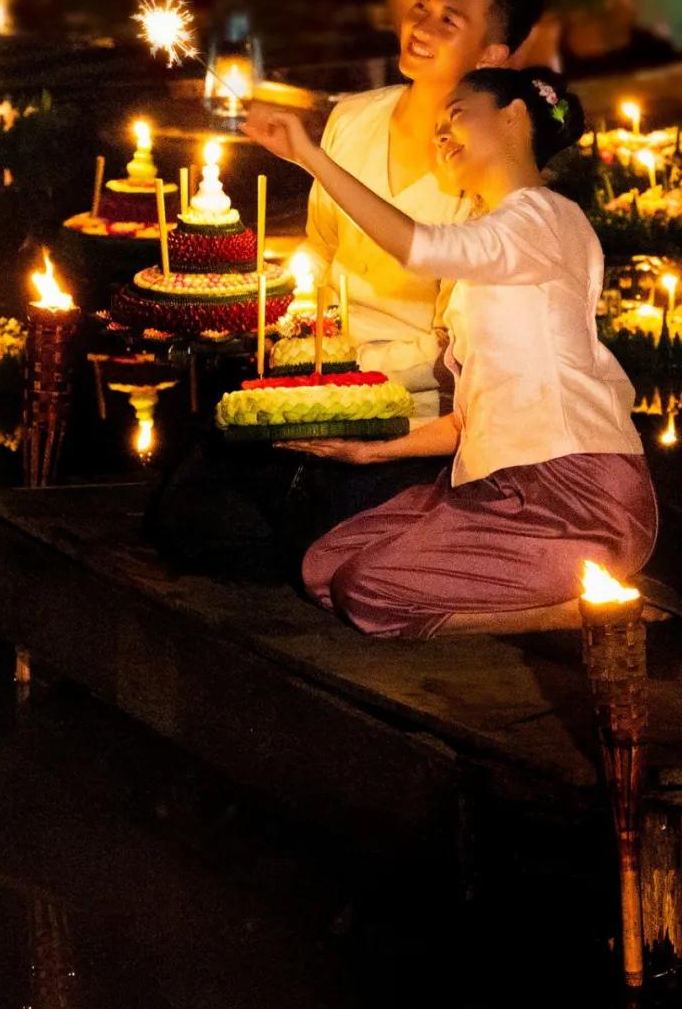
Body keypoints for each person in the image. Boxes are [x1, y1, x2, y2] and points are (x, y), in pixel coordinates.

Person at [144, 0, 545, 580]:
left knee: (322, 531)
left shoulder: (485, 174)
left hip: (413, 411)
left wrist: (358, 374)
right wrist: (306, 335)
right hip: (316, 377)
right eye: (422, 5)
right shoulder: (354, 118)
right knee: (189, 514)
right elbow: (322, 249)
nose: (421, 26)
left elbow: (461, 343)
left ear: (494, 54)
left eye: (450, 20)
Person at [241, 67, 657, 637]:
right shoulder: (499, 240)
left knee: (367, 593)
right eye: (438, 127)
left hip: (573, 490)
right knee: (323, 569)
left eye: (458, 114)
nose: (442, 134)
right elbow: (473, 415)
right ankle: (571, 594)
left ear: (513, 116)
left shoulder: (542, 216)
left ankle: (600, 607)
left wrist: (310, 155)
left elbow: (419, 244)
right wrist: (371, 453)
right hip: (495, 483)